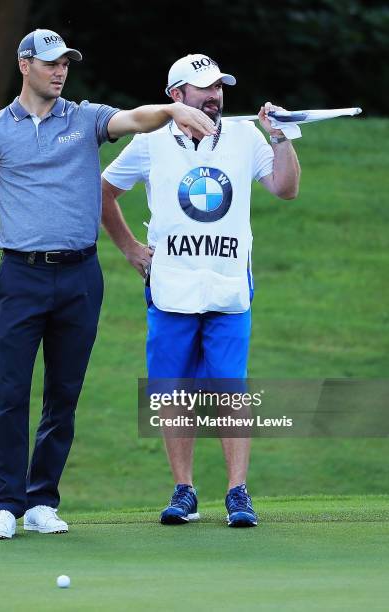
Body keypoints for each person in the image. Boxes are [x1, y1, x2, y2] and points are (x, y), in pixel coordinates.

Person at [0, 32, 216, 540]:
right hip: (21, 274)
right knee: (8, 392)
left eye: (66, 63)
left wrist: (172, 111)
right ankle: (5, 505)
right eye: (51, 63)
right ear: (24, 65)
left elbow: (132, 119)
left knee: (63, 393)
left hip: (80, 276)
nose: (60, 71)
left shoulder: (85, 118)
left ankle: (41, 500)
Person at [101, 54, 301, 527]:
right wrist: (129, 247)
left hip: (229, 287)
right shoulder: (150, 140)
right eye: (203, 88)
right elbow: (103, 190)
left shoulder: (242, 135)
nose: (215, 95)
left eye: (218, 87)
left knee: (231, 391)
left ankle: (238, 493)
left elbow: (285, 187)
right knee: (173, 393)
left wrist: (280, 137)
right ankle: (184, 490)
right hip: (170, 287)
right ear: (176, 95)